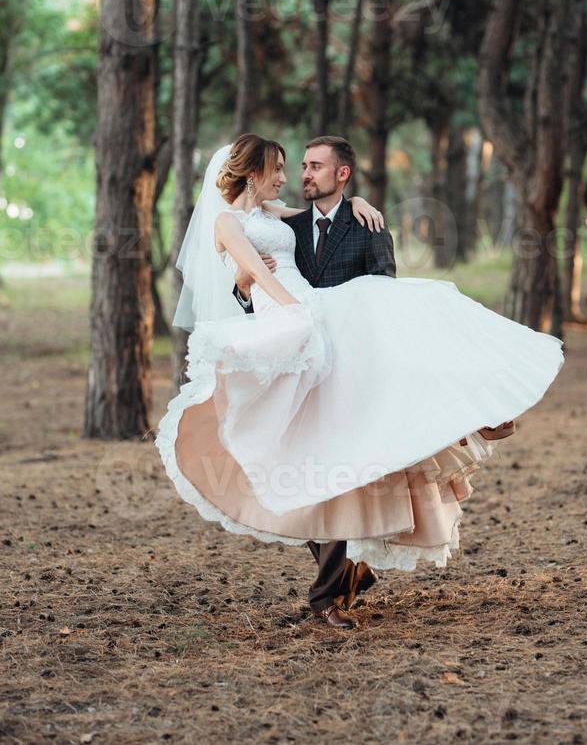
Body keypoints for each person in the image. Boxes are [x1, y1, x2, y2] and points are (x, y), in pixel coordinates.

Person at [155, 134, 565, 631]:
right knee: (307, 460)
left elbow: (332, 235)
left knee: (413, 308)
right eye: (284, 168)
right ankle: (342, 576)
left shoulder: (285, 215)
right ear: (253, 171)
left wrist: (356, 205)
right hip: (291, 323)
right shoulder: (230, 220)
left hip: (324, 326)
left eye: (306, 167)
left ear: (340, 173)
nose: (292, 176)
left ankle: (481, 409)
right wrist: (278, 303)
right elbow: (256, 280)